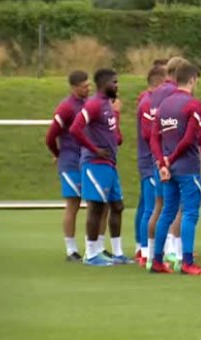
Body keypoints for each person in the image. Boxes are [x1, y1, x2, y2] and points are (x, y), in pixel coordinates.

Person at [149, 64, 201, 275]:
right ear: (193, 79)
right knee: (190, 212)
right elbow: (189, 138)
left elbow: (154, 137)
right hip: (186, 167)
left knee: (167, 211)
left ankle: (157, 260)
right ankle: (187, 262)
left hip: (169, 170)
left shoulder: (164, 105)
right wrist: (170, 159)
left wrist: (162, 162)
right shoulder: (193, 105)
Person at [69, 69, 129, 266]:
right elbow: (75, 128)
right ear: (104, 84)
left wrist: (117, 115)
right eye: (115, 82)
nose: (117, 85)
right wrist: (94, 148)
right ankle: (91, 253)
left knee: (117, 206)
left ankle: (117, 252)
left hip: (110, 164)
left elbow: (117, 138)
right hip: (95, 164)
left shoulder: (107, 106)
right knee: (96, 207)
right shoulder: (94, 104)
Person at [45, 70, 90, 262]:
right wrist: (58, 154)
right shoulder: (66, 107)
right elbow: (50, 136)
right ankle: (71, 250)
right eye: (84, 86)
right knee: (73, 204)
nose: (88, 89)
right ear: (74, 87)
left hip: (88, 161)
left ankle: (93, 247)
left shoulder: (90, 103)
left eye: (89, 85)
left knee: (96, 204)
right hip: (71, 162)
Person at [149, 57, 188, 265]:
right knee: (177, 206)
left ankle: (152, 253)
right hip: (173, 158)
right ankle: (173, 250)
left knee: (159, 205)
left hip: (157, 157)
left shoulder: (153, 95)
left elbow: (151, 130)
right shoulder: (176, 94)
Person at [135, 65, 166, 267]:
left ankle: (148, 248)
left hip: (153, 160)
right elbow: (148, 134)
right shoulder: (148, 103)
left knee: (153, 205)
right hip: (149, 161)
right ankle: (145, 250)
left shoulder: (154, 102)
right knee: (150, 206)